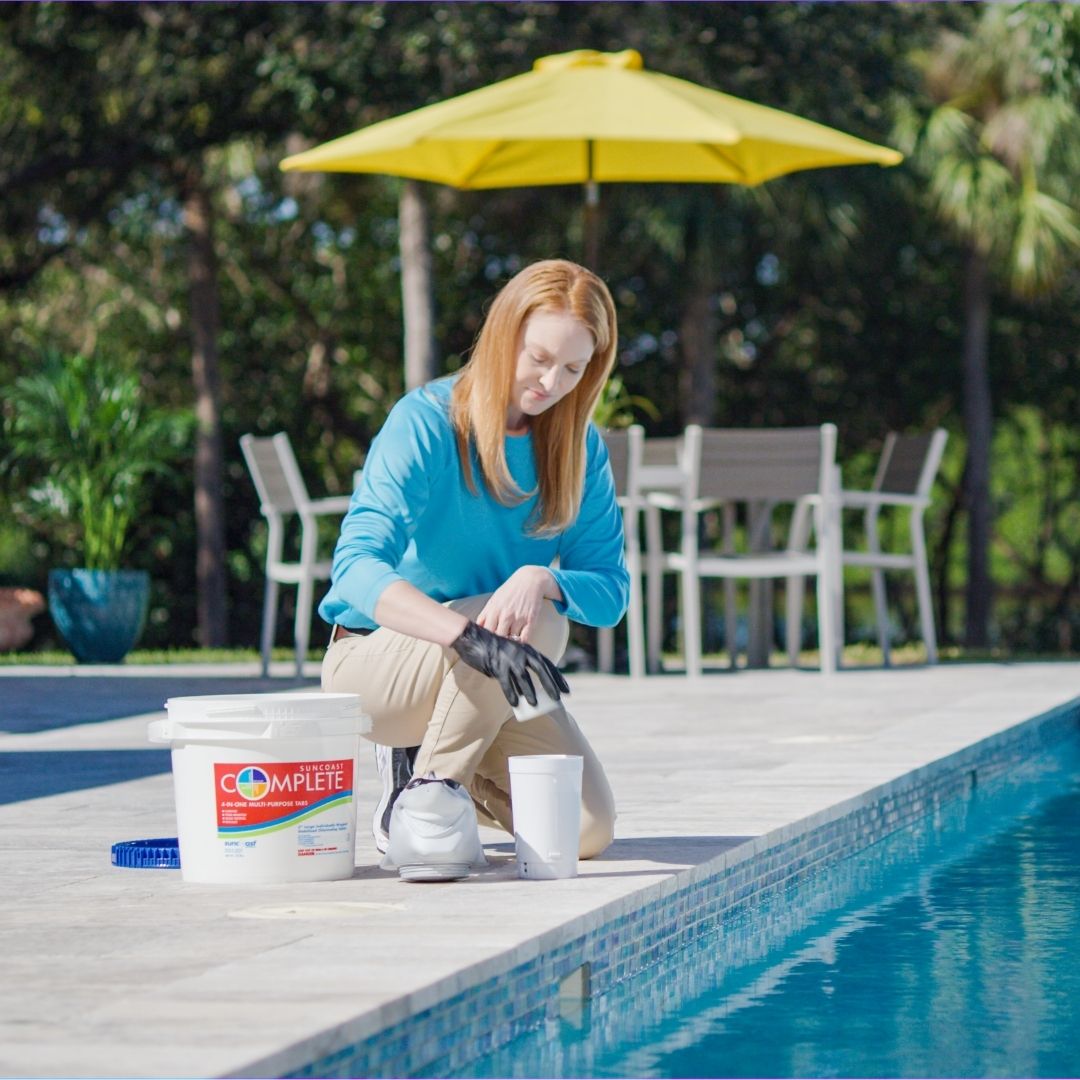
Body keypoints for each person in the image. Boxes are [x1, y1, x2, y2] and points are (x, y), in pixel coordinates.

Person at [320, 258, 629, 881]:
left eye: (574, 368)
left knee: (587, 828)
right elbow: (354, 567)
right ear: (503, 334)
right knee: (534, 624)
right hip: (378, 669)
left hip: (494, 673)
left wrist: (545, 578)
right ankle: (426, 797)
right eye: (538, 357)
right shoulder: (426, 420)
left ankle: (437, 768)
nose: (551, 382)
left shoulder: (579, 449)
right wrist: (465, 635)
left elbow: (610, 591)